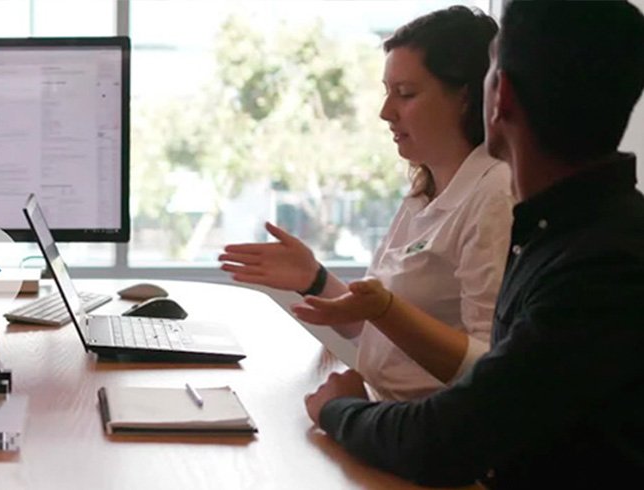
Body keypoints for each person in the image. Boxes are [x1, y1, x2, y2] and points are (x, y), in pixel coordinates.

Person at [303, 1, 644, 487]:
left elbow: (446, 438)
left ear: (499, 96)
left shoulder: (600, 267)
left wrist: (339, 410)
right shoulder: (570, 232)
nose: (387, 111)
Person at [219, 6, 513, 401]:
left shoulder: (494, 194)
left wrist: (382, 316)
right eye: (387, 92)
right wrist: (315, 280)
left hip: (424, 425)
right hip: (380, 408)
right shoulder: (425, 190)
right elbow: (383, 336)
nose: (385, 112)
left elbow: (490, 367)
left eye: (405, 94)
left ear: (464, 97)